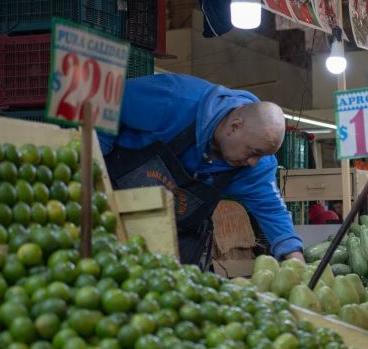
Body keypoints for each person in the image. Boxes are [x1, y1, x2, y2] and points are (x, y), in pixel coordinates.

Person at [98, 73, 304, 269]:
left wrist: (297, 262)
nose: (253, 162)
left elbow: (273, 211)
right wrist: (95, 170)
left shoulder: (257, 166)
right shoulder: (176, 98)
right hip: (108, 214)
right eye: (253, 152)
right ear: (234, 126)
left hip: (173, 246)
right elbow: (108, 102)